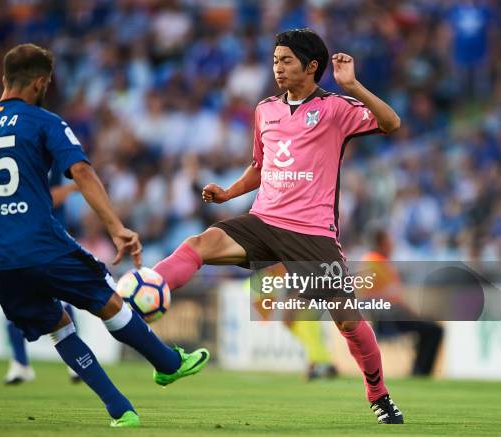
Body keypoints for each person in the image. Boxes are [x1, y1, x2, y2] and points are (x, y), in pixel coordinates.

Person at [154, 29, 404, 424]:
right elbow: (259, 167)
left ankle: (379, 393)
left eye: (286, 60)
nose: (278, 68)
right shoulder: (265, 110)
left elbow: (391, 123)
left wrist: (353, 85)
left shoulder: (336, 108)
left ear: (311, 67)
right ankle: (147, 293)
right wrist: (228, 194)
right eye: (275, 60)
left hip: (312, 232)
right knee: (199, 243)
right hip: (263, 220)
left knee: (349, 322)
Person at [0, 43, 209, 428]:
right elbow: (82, 172)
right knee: (108, 300)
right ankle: (167, 363)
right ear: (41, 82)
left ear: (4, 79)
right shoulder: (44, 121)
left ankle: (120, 409)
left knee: (58, 326)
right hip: (38, 242)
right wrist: (117, 227)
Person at [3, 181, 82, 385]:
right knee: (19, 305)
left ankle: (75, 363)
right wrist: (70, 189)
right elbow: (40, 200)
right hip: (28, 242)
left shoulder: (46, 162)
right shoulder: (28, 166)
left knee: (61, 303)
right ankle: (20, 363)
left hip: (49, 241)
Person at [362, 228, 444, 377]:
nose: (392, 244)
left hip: (392, 315)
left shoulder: (377, 261)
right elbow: (373, 294)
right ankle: (420, 372)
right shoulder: (375, 261)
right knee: (435, 330)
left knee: (429, 328)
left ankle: (419, 371)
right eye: (389, 240)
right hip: (390, 318)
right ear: (381, 243)